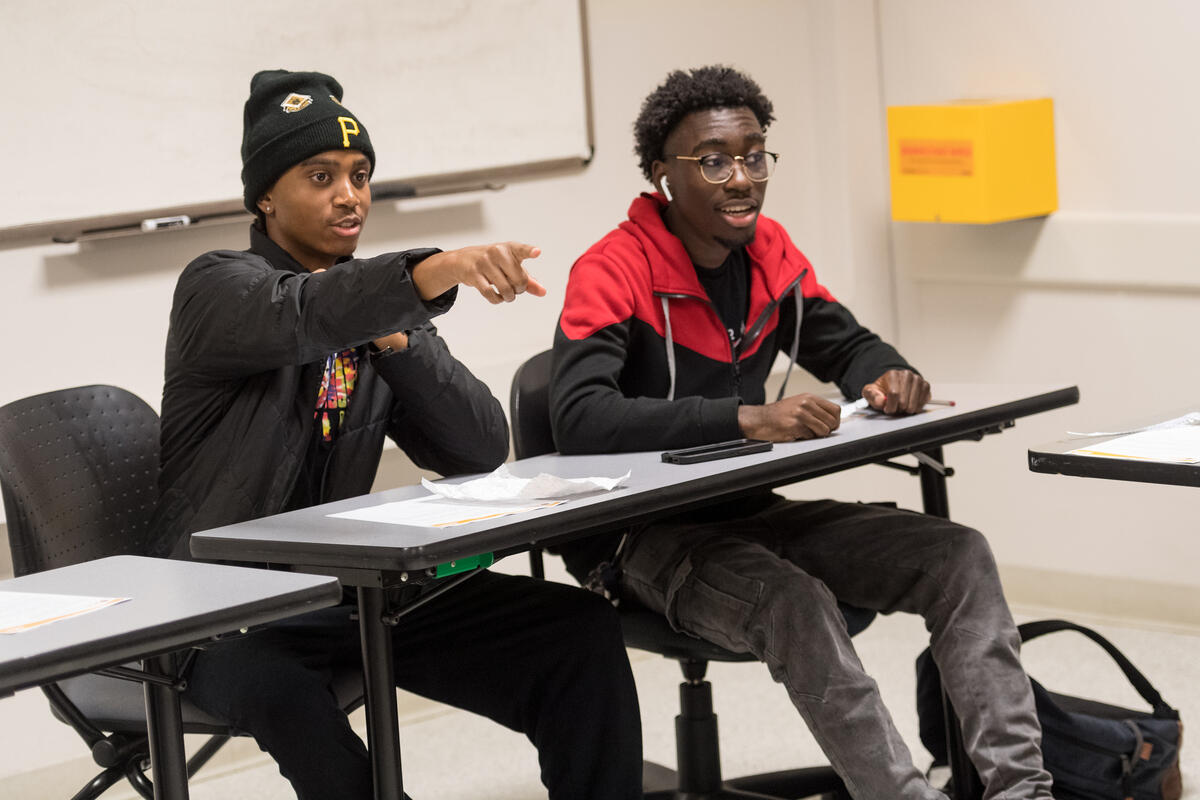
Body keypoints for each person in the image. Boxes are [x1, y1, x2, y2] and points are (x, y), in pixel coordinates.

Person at [549, 65, 1054, 800]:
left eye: (755, 155)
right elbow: (579, 417)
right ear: (663, 174)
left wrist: (890, 375)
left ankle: (1020, 792)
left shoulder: (769, 255)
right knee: (794, 602)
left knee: (957, 555)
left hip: (754, 513)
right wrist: (745, 418)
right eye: (713, 160)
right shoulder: (612, 270)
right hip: (640, 541)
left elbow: (845, 346)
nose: (741, 178)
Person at [149, 69, 642, 800]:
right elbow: (301, 313)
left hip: (346, 596)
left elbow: (476, 448)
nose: (349, 196)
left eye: (360, 175)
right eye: (320, 176)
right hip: (221, 617)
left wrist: (402, 340)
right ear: (264, 196)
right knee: (288, 698)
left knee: (576, 633)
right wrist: (431, 273)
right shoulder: (219, 287)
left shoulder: (378, 310)